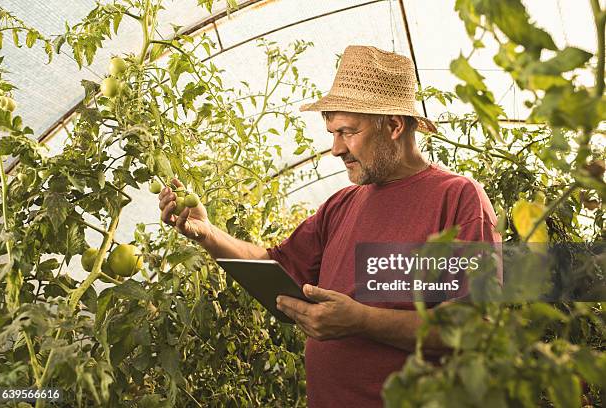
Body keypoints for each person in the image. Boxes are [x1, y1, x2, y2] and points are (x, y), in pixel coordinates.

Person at [158, 45, 501, 408]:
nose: (336, 148)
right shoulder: (342, 205)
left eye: (347, 132)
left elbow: (471, 325)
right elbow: (277, 267)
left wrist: (361, 320)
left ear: (395, 126)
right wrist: (209, 235)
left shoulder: (457, 198)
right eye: (332, 133)